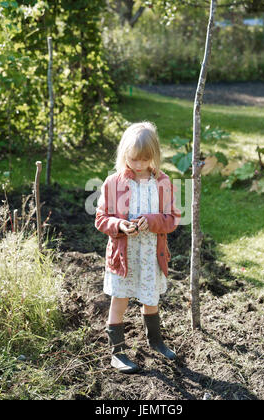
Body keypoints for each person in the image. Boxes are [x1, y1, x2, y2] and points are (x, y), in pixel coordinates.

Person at [95, 121, 182, 374]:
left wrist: (152, 221)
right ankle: (118, 352)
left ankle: (155, 341)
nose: (139, 164)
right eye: (134, 159)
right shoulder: (113, 183)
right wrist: (120, 225)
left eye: (145, 159)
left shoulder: (162, 183)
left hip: (149, 255)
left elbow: (172, 218)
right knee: (119, 299)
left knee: (150, 297)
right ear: (124, 155)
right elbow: (101, 218)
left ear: (154, 156)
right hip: (124, 256)